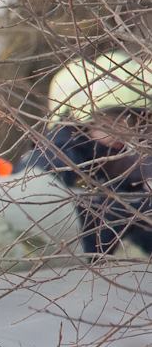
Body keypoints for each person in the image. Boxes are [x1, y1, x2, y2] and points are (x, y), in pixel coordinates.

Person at [27, 52, 152, 256]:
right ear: (79, 121)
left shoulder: (126, 159)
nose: (126, 128)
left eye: (135, 118)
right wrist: (140, 206)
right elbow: (66, 224)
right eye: (114, 118)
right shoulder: (58, 157)